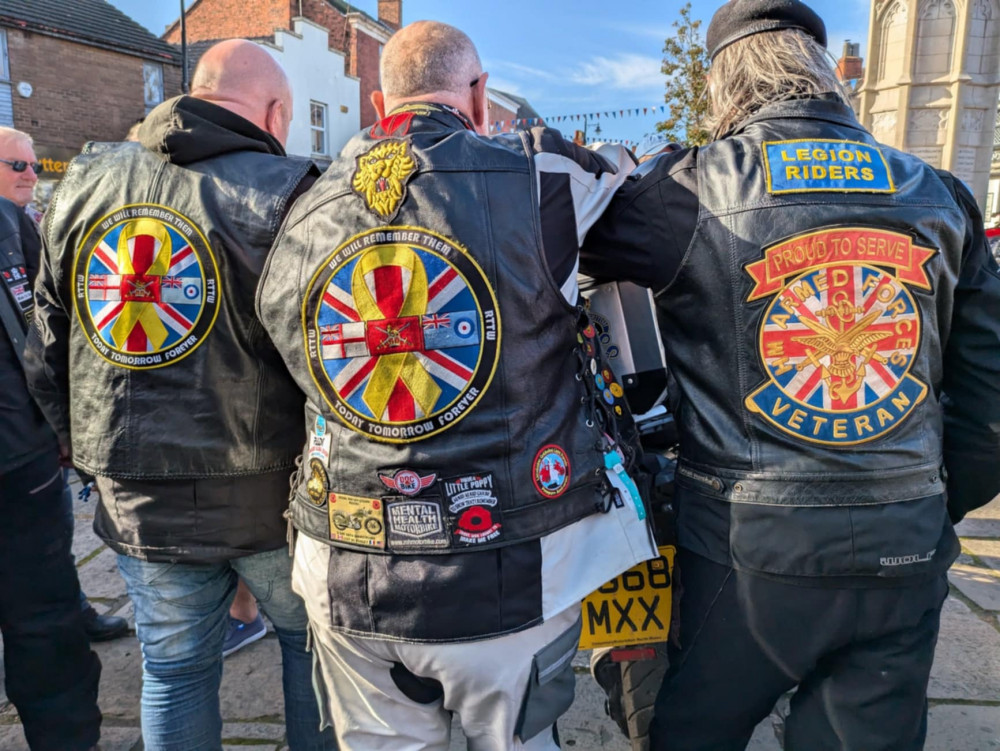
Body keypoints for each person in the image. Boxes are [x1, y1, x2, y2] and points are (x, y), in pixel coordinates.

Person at [581, 1, 1000, 749]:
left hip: (748, 554)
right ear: (824, 78)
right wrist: (931, 503)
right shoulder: (942, 195)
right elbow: (989, 395)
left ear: (723, 87)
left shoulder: (688, 191)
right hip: (902, 543)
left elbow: (558, 248)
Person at [256, 20, 656, 750]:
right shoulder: (539, 176)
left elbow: (287, 343)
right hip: (508, 568)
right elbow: (625, 168)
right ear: (477, 94)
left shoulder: (301, 206)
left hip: (346, 564)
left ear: (379, 104)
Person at [24, 41, 334, 751]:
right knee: (307, 652)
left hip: (137, 493)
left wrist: (74, 441)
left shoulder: (83, 183)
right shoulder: (293, 187)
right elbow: (320, 349)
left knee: (173, 671)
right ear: (276, 111)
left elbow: (46, 339)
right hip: (273, 495)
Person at [0, 126, 102, 750]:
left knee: (47, 597)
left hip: (23, 451)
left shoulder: (19, 226)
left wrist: (60, 425)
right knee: (40, 617)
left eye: (35, 165)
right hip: (17, 452)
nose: (30, 174)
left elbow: (43, 329)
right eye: (16, 164)